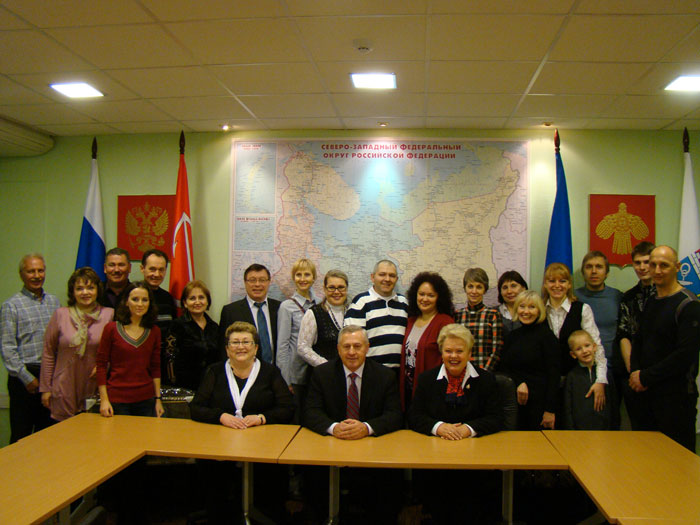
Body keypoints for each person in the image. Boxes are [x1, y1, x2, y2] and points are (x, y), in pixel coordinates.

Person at [191, 321, 294, 524]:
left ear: (255, 348)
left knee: (270, 479)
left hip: (263, 444)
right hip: (221, 444)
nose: (241, 347)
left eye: (246, 342)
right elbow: (196, 407)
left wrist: (262, 418)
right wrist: (220, 416)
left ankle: (261, 513)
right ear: (227, 349)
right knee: (214, 477)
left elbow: (288, 407)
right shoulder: (214, 372)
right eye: (235, 342)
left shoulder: (270, 372)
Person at [304, 325, 403, 523]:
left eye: (357, 346)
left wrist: (366, 428)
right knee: (312, 476)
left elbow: (395, 415)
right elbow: (310, 412)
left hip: (373, 449)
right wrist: (334, 428)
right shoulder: (322, 374)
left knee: (390, 481)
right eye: (346, 346)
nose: (351, 352)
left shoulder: (385, 376)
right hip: (331, 448)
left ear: (367, 348)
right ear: (338, 349)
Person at [408, 323, 503, 524]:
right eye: (448, 351)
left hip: (476, 461)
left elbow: (496, 417)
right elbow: (415, 415)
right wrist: (439, 427)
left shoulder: (486, 380)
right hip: (435, 460)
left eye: (459, 351)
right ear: (441, 353)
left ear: (470, 354)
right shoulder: (426, 379)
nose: (453, 356)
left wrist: (468, 429)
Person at [629, 245, 700, 451]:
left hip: (676, 399)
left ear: (677, 267)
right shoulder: (652, 300)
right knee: (646, 458)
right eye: (653, 265)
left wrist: (646, 377)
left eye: (664, 265)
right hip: (645, 395)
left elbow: (685, 355)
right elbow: (639, 340)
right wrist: (636, 373)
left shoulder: (689, 304)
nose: (657, 270)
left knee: (676, 461)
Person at [39, 267, 113, 422]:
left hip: (94, 385)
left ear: (97, 290)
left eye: (90, 287)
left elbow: (115, 352)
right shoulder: (60, 315)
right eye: (79, 288)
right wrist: (46, 388)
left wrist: (105, 366)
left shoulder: (109, 315)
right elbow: (48, 352)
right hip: (64, 385)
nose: (85, 292)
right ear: (72, 292)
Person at [0, 253, 60, 442]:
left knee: (48, 436)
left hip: (49, 376)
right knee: (21, 437)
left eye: (40, 270)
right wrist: (27, 378)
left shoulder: (54, 302)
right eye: (31, 271)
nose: (36, 275)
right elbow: (7, 348)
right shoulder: (11, 306)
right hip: (24, 379)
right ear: (21, 274)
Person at [542, 262, 607, 411]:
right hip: (546, 382)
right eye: (552, 281)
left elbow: (596, 345)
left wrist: (601, 379)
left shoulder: (582, 309)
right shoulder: (538, 310)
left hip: (577, 380)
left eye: (562, 281)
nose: (557, 285)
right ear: (545, 284)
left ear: (569, 284)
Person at [96, 281, 163, 417]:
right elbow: (101, 365)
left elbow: (155, 367)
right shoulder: (111, 329)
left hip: (146, 400)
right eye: (135, 299)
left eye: (144, 300)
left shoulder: (154, 331)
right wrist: (104, 400)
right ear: (126, 302)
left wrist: (158, 399)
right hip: (117, 400)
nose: (140, 304)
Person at [499, 291, 559, 430]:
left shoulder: (547, 337)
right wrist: (519, 382)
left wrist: (550, 410)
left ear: (539, 311)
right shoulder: (512, 336)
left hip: (540, 405)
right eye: (522, 306)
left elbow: (554, 375)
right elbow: (504, 367)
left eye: (532, 307)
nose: (526, 311)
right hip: (515, 403)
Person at [400, 271, 454, 409]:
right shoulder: (411, 321)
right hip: (407, 387)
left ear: (439, 298)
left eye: (431, 295)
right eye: (421, 294)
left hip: (431, 390)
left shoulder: (445, 322)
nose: (425, 299)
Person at [615, 241, 655, 428]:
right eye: (638, 263)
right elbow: (623, 334)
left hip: (661, 376)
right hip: (634, 374)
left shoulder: (668, 294)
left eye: (647, 262)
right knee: (640, 430)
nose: (642, 267)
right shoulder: (629, 297)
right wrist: (634, 371)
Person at [344, 259, 408, 370]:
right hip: (371, 372)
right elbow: (351, 341)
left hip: (400, 372)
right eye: (382, 274)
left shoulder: (404, 303)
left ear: (396, 279)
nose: (387, 279)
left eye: (392, 275)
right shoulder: (360, 302)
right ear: (373, 277)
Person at [276, 258, 319, 407]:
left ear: (314, 278)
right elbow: (283, 345)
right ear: (294, 278)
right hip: (296, 375)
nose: (302, 279)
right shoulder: (287, 307)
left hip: (316, 373)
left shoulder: (320, 304)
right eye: (298, 275)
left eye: (307, 274)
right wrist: (285, 380)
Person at [218, 263, 281, 364]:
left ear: (269, 282)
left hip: (276, 370)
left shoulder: (280, 308)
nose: (257, 284)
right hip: (243, 369)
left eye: (262, 280)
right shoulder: (230, 311)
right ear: (245, 282)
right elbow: (224, 347)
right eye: (252, 280)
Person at [167, 280, 218, 391]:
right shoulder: (177, 325)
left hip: (210, 385)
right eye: (192, 298)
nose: (197, 302)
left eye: (201, 297)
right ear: (185, 303)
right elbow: (170, 357)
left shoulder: (214, 327)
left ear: (207, 301)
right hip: (184, 385)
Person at [575, 251, 623, 362]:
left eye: (599, 267)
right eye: (589, 267)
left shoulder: (618, 297)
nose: (594, 271)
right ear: (583, 272)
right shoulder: (573, 298)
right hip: (583, 364)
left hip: (614, 363)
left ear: (607, 273)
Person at [564, 330, 616, 430]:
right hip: (580, 429)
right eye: (579, 349)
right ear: (573, 354)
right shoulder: (572, 376)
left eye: (587, 345)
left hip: (604, 427)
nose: (584, 351)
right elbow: (568, 407)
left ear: (594, 347)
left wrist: (614, 428)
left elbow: (613, 403)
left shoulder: (605, 375)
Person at [453, 267, 503, 371]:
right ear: (465, 288)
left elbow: (497, 350)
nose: (474, 291)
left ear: (485, 289)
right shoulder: (457, 315)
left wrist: (485, 374)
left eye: (479, 287)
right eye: (470, 286)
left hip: (485, 373)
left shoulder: (493, 315)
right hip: (461, 372)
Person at [139, 249, 177, 383]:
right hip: (138, 362)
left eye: (161, 270)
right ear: (142, 269)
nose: (156, 274)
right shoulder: (132, 295)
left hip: (162, 364)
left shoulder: (168, 298)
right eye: (152, 269)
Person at [297, 269, 348, 367]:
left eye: (341, 287)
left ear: (346, 289)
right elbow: (302, 347)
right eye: (331, 288)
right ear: (324, 289)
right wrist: (327, 366)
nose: (336, 292)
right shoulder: (313, 313)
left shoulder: (353, 311)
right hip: (323, 372)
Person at [497, 270, 528, 335]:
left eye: (513, 286)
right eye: (505, 287)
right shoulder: (492, 313)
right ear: (500, 292)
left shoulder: (531, 312)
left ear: (523, 288)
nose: (509, 291)